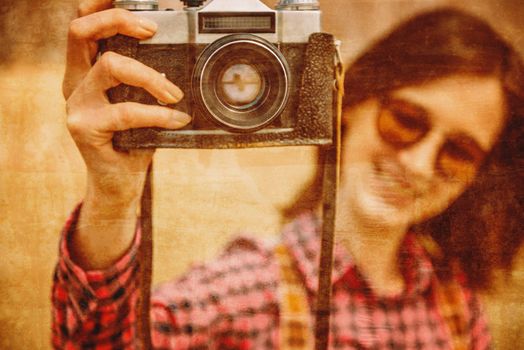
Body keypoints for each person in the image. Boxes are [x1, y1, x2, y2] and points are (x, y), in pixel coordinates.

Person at [52, 0, 524, 348]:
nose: (419, 163)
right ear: (348, 100)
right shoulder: (252, 286)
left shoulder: (457, 304)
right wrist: (112, 197)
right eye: (405, 121)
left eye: (458, 152)